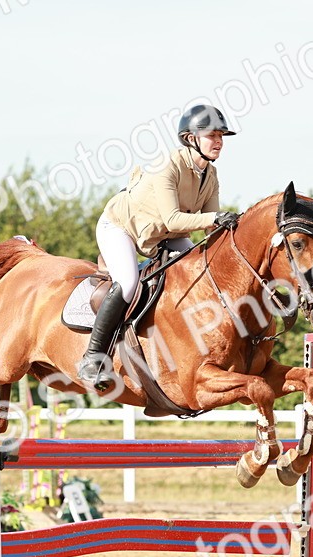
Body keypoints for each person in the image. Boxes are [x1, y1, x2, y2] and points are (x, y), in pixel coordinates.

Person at [78, 104, 243, 389]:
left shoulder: (211, 175)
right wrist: (216, 217)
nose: (218, 141)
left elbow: (208, 228)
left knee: (198, 270)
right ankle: (93, 358)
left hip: (163, 233)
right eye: (212, 135)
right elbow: (174, 218)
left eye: (221, 136)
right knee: (129, 283)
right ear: (191, 138)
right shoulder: (167, 166)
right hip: (121, 227)